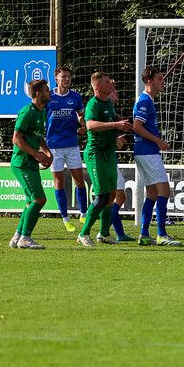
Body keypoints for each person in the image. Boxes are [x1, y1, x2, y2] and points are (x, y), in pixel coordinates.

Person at [76, 71, 132, 247]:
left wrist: (118, 128)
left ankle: (104, 233)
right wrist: (115, 124)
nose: (111, 85)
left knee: (112, 195)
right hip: (96, 155)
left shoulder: (108, 103)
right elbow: (91, 125)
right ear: (98, 86)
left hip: (108, 154)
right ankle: (83, 234)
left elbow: (108, 122)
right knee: (101, 197)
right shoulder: (93, 104)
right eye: (107, 82)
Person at [132, 67, 181, 246]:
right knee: (164, 191)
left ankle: (144, 234)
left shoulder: (147, 100)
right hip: (148, 151)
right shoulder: (144, 101)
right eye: (160, 79)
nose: (163, 81)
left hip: (143, 152)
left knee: (152, 193)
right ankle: (161, 234)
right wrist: (158, 141)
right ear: (150, 81)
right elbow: (136, 126)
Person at [8, 79, 53, 250]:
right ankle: (26, 237)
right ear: (38, 93)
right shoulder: (26, 112)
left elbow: (37, 135)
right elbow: (16, 138)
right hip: (22, 163)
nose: (50, 92)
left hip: (31, 162)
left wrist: (47, 151)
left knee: (30, 201)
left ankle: (18, 237)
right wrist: (37, 154)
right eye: (47, 90)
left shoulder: (42, 112)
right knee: (39, 199)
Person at [45, 66, 88, 232]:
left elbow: (81, 115)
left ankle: (83, 213)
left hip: (71, 145)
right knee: (59, 183)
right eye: (63, 77)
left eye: (69, 76)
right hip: (54, 146)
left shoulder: (75, 97)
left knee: (79, 180)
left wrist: (83, 125)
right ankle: (65, 218)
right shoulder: (49, 96)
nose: (66, 79)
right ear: (56, 79)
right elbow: (42, 116)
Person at [108, 79, 134, 242]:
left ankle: (114, 232)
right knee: (112, 198)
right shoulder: (102, 109)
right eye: (113, 89)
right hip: (106, 160)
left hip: (111, 158)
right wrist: (114, 141)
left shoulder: (110, 111)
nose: (116, 92)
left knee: (116, 197)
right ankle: (113, 232)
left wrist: (117, 139)